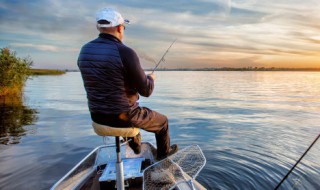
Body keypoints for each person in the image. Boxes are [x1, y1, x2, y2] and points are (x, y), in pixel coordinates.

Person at [77, 8, 178, 160]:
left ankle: (135, 143)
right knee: (162, 122)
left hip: (97, 116)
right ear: (119, 27)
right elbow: (146, 91)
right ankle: (163, 162)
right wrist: (150, 79)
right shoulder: (125, 52)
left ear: (100, 28)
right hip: (123, 117)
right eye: (123, 27)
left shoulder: (84, 50)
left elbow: (107, 79)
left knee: (133, 112)